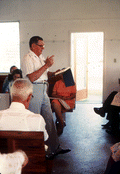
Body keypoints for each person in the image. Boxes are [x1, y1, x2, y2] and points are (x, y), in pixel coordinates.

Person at [21, 36, 71, 158]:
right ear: (33, 46)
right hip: (34, 88)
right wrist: (46, 65)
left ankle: (54, 147)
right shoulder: (27, 58)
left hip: (43, 88)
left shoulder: (40, 57)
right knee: (35, 120)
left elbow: (44, 73)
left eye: (44, 46)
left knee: (48, 119)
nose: (43, 48)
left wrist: (54, 73)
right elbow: (32, 77)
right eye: (41, 45)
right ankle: (35, 152)